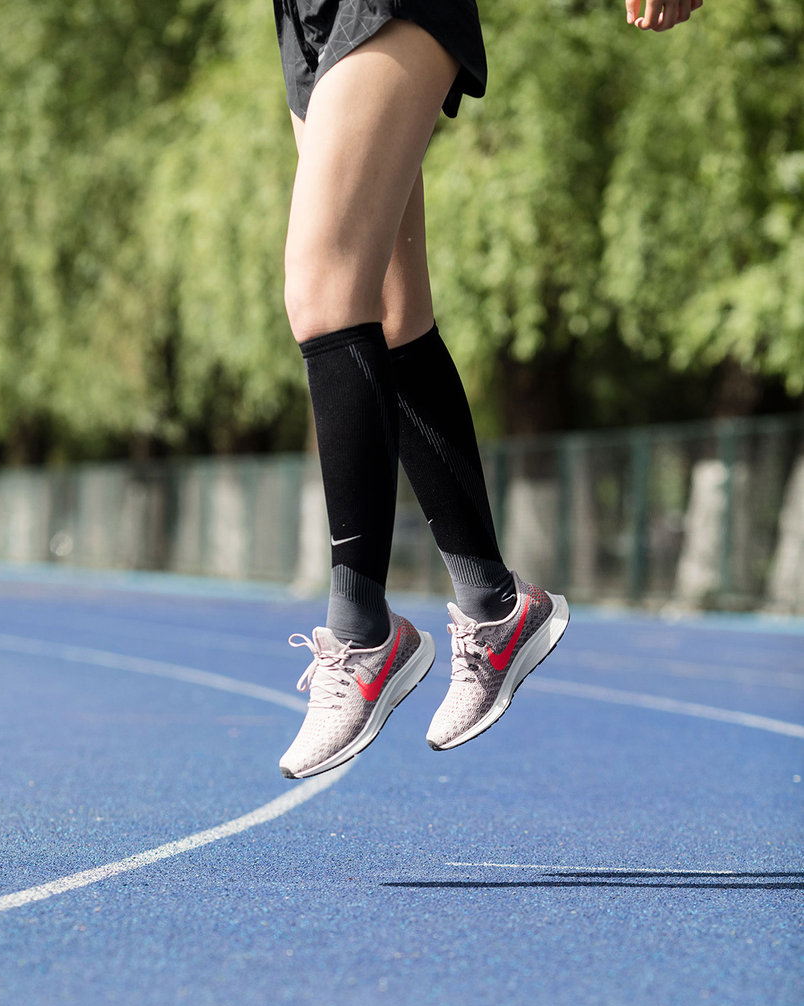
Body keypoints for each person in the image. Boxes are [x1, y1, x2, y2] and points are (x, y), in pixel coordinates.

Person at [274, 0, 703, 779]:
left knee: (323, 294)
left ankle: (361, 633)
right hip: (304, 13)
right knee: (391, 314)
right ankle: (495, 607)